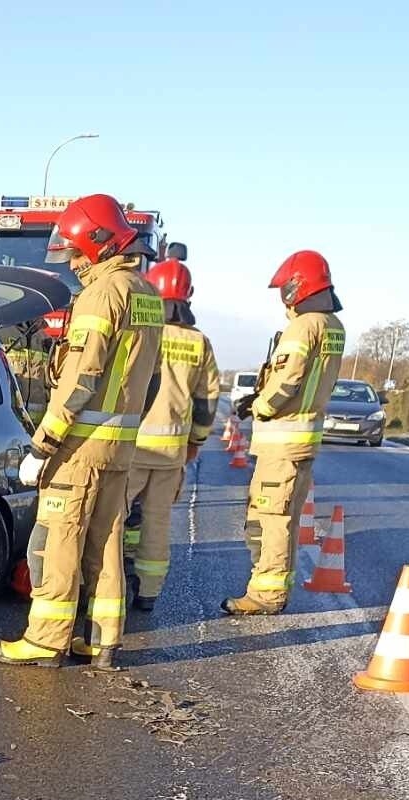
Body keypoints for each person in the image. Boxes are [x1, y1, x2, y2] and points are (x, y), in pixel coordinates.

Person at [0, 195, 162, 669]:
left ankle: (46, 639)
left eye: (77, 253)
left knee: (56, 539)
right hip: (119, 448)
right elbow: (150, 380)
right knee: (104, 542)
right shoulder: (147, 295)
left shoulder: (101, 295)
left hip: (80, 446)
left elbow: (80, 377)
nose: (74, 264)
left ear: (97, 244)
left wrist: (44, 443)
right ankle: (102, 640)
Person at [224, 249, 345, 615]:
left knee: (270, 517)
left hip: (282, 441)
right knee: (286, 518)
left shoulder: (304, 326)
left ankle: (265, 595)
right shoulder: (333, 327)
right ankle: (277, 588)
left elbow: (288, 378)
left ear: (297, 288)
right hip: (304, 438)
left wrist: (260, 406)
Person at [119, 258, 219, 613]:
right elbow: (207, 401)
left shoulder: (144, 331)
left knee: (113, 517)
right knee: (158, 522)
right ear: (188, 295)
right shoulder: (200, 343)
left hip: (131, 446)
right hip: (173, 450)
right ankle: (148, 591)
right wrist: (196, 442)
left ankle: (109, 587)